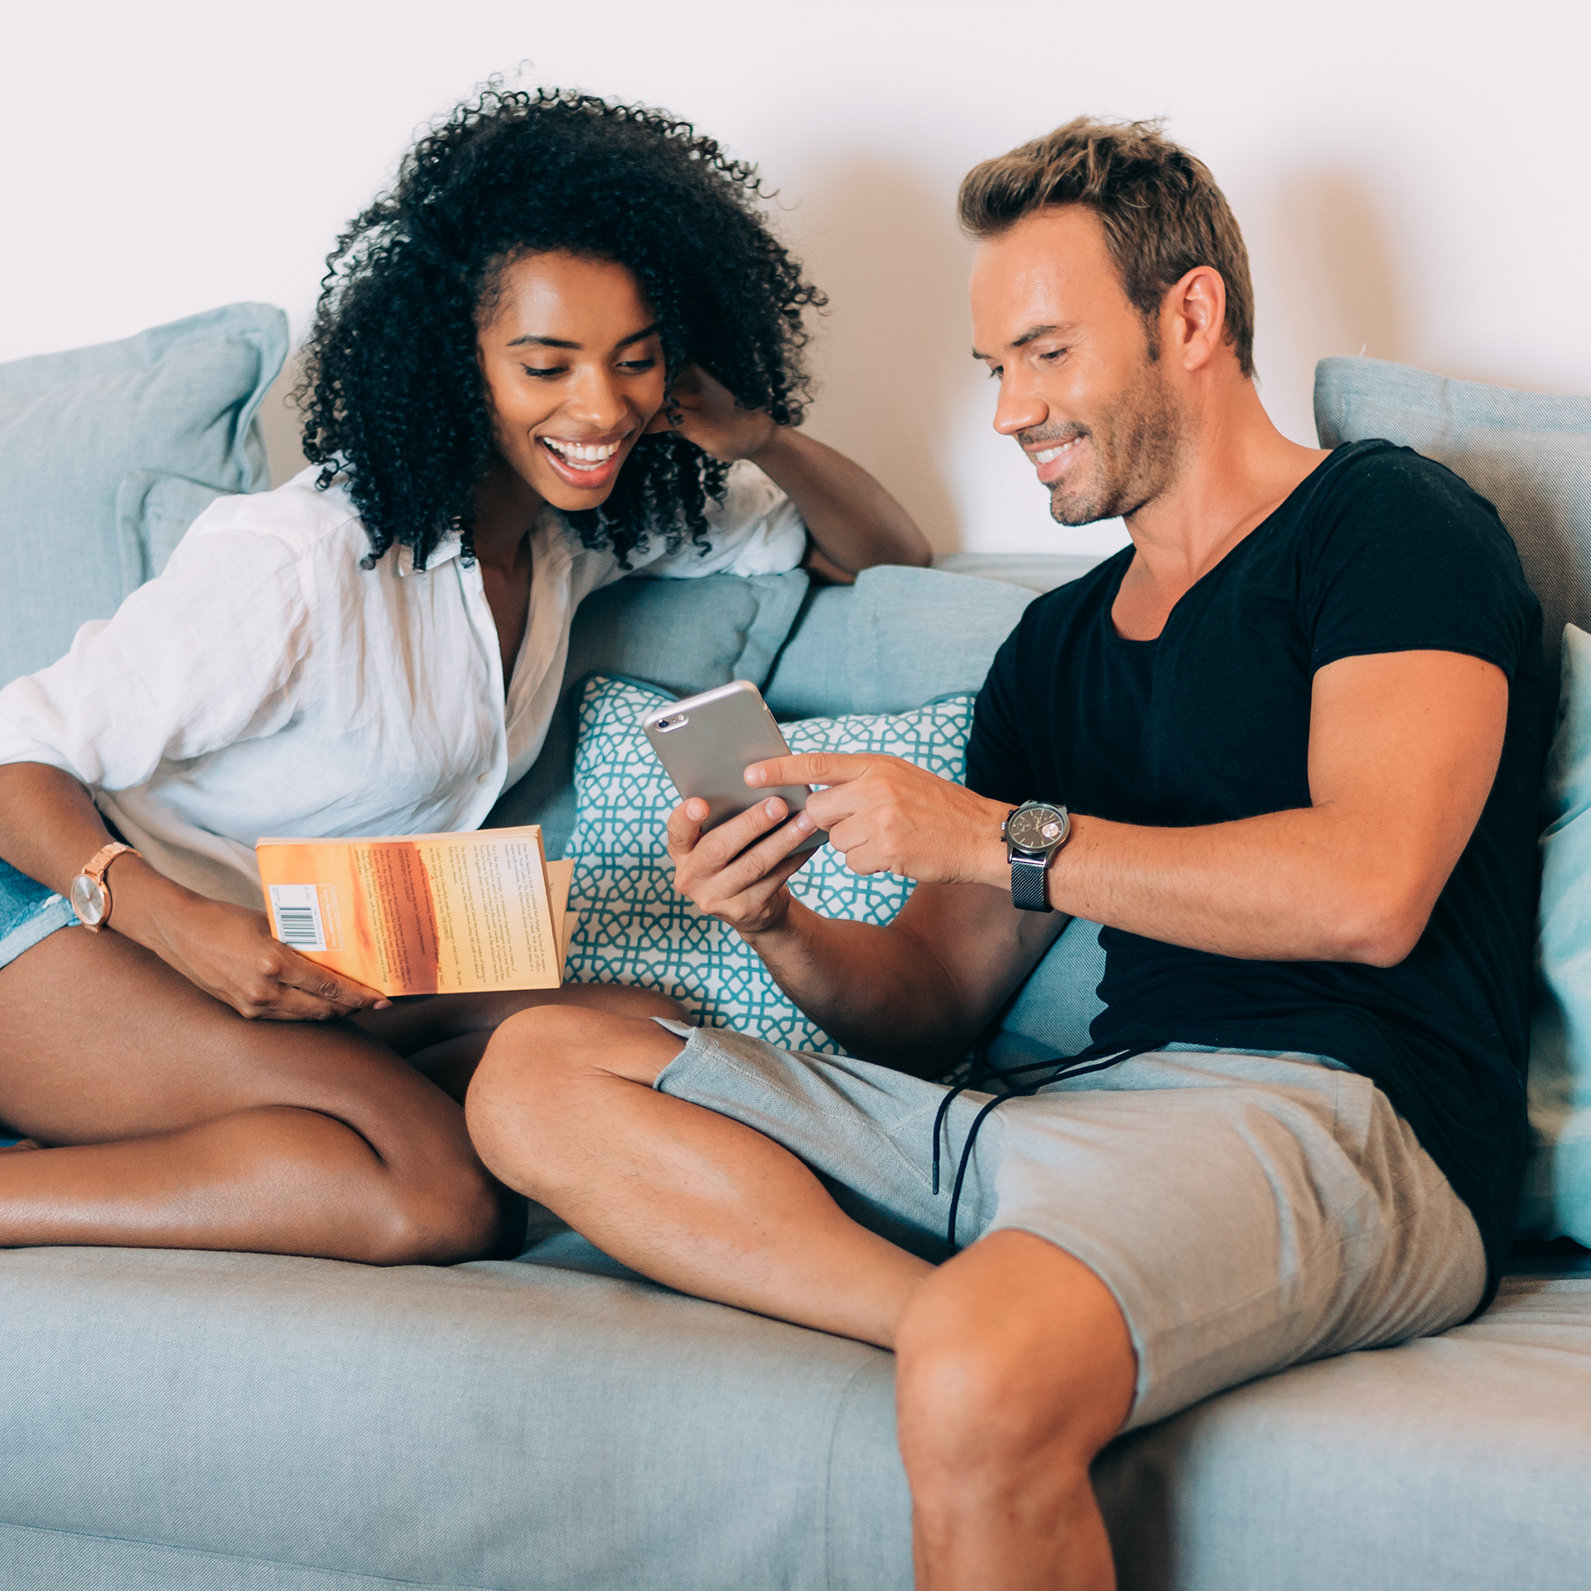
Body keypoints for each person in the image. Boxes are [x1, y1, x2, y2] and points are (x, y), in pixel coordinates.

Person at [464, 118, 1545, 1590]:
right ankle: (982, 1317)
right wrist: (778, 918)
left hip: (1335, 1122)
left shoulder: (1382, 521)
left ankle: (994, 1341)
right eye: (992, 369)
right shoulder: (1057, 642)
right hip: (1054, 1123)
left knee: (978, 1374)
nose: (1007, 411)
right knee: (534, 1070)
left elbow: (1366, 887)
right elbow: (925, 1004)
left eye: (1043, 353)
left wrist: (994, 836)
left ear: (1189, 316)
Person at [0, 87, 929, 1266]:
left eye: (632, 361)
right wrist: (181, 927)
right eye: (546, 365)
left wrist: (757, 438)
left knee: (646, 1035)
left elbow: (885, 556)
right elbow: (14, 754)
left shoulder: (578, 528)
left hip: (309, 952)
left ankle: (275, 1110)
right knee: (436, 1194)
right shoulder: (302, 560)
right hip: (69, 924)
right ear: (458, 360)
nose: (597, 408)